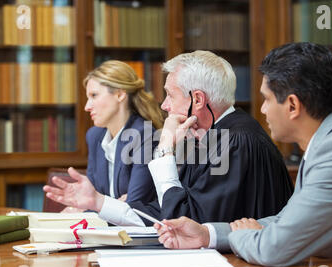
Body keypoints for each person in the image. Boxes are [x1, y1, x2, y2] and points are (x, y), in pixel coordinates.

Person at [155, 42, 332, 267]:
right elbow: (284, 222)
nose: (261, 110)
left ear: (292, 106)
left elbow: (274, 247)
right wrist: (208, 234)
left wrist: (245, 233)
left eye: (266, 99)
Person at [44, 50, 293, 226]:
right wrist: (98, 202)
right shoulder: (208, 137)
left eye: (170, 96)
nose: (163, 106)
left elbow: (183, 221)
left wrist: (165, 151)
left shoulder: (233, 140)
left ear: (197, 99)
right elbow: (161, 212)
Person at [49, 60, 164, 213]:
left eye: (94, 95)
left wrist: (94, 204)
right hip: (104, 231)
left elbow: (133, 205)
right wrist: (105, 203)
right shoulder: (94, 136)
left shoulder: (145, 134)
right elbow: (90, 199)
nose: (87, 106)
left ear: (119, 94)